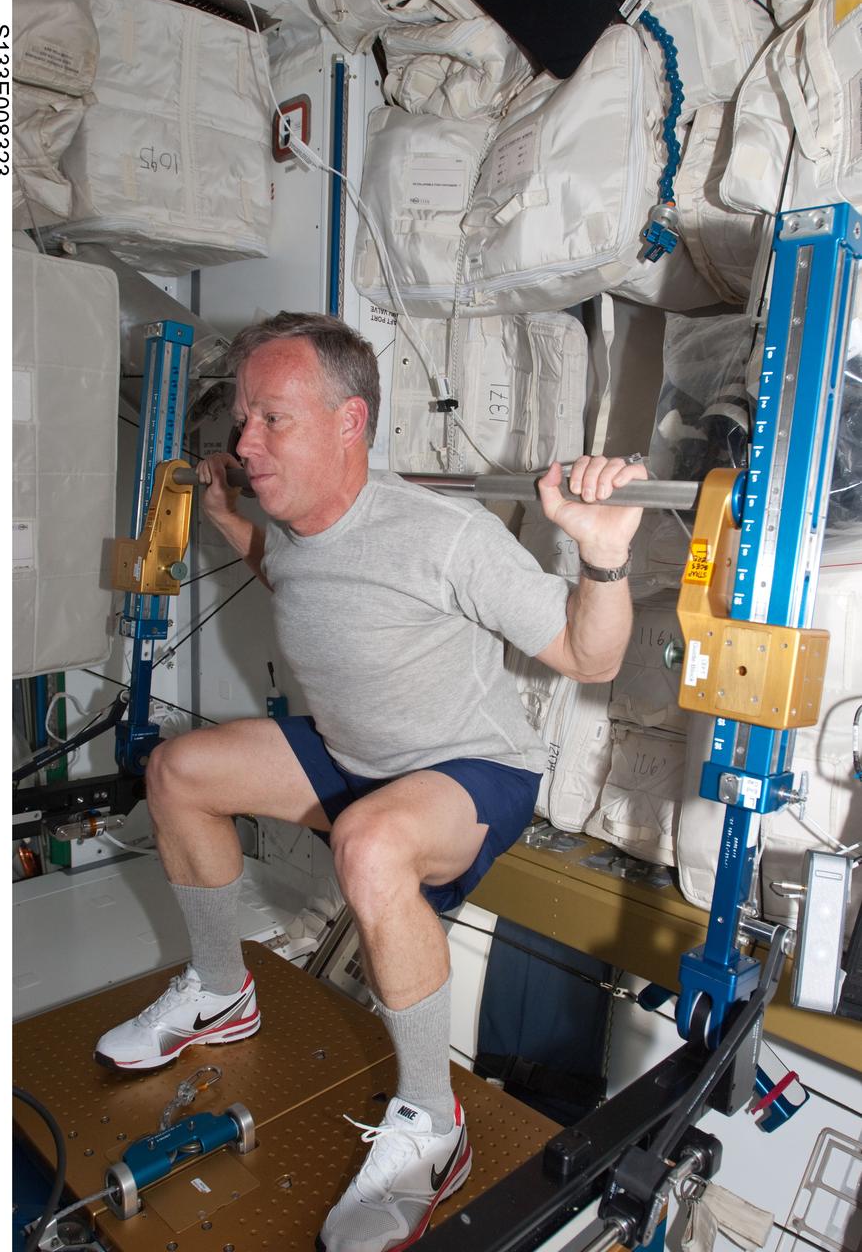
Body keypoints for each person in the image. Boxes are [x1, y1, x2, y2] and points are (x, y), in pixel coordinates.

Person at [95, 311, 646, 1252]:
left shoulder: (445, 534)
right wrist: (236, 529)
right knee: (179, 770)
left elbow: (588, 657)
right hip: (351, 753)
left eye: (274, 419)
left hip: (467, 770)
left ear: (351, 423)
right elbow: (312, 585)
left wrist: (601, 554)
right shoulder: (295, 522)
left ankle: (434, 1123)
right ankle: (223, 990)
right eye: (242, 421)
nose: (245, 441)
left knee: (371, 840)